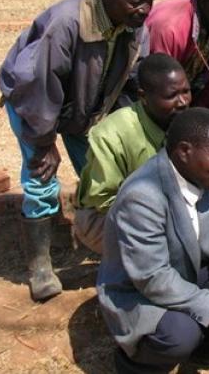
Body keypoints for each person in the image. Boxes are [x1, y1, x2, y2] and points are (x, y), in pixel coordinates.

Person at [0, 0, 157, 301]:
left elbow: (130, 80)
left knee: (103, 174)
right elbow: (38, 82)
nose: (144, 10)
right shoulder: (67, 22)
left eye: (149, 1)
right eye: (136, 2)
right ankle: (40, 266)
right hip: (32, 102)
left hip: (83, 109)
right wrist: (43, 142)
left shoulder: (134, 27)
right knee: (41, 177)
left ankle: (109, 243)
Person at [97, 108, 209, 373]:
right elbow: (152, 278)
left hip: (183, 272)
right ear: (184, 151)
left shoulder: (202, 175)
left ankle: (203, 350)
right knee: (180, 334)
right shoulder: (143, 197)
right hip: (136, 290)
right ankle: (134, 363)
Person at [74, 54, 191, 254]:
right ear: (143, 97)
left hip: (162, 210)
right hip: (103, 217)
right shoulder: (113, 133)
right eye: (171, 96)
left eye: (186, 92)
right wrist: (161, 215)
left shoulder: (184, 122)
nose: (182, 102)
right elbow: (102, 199)